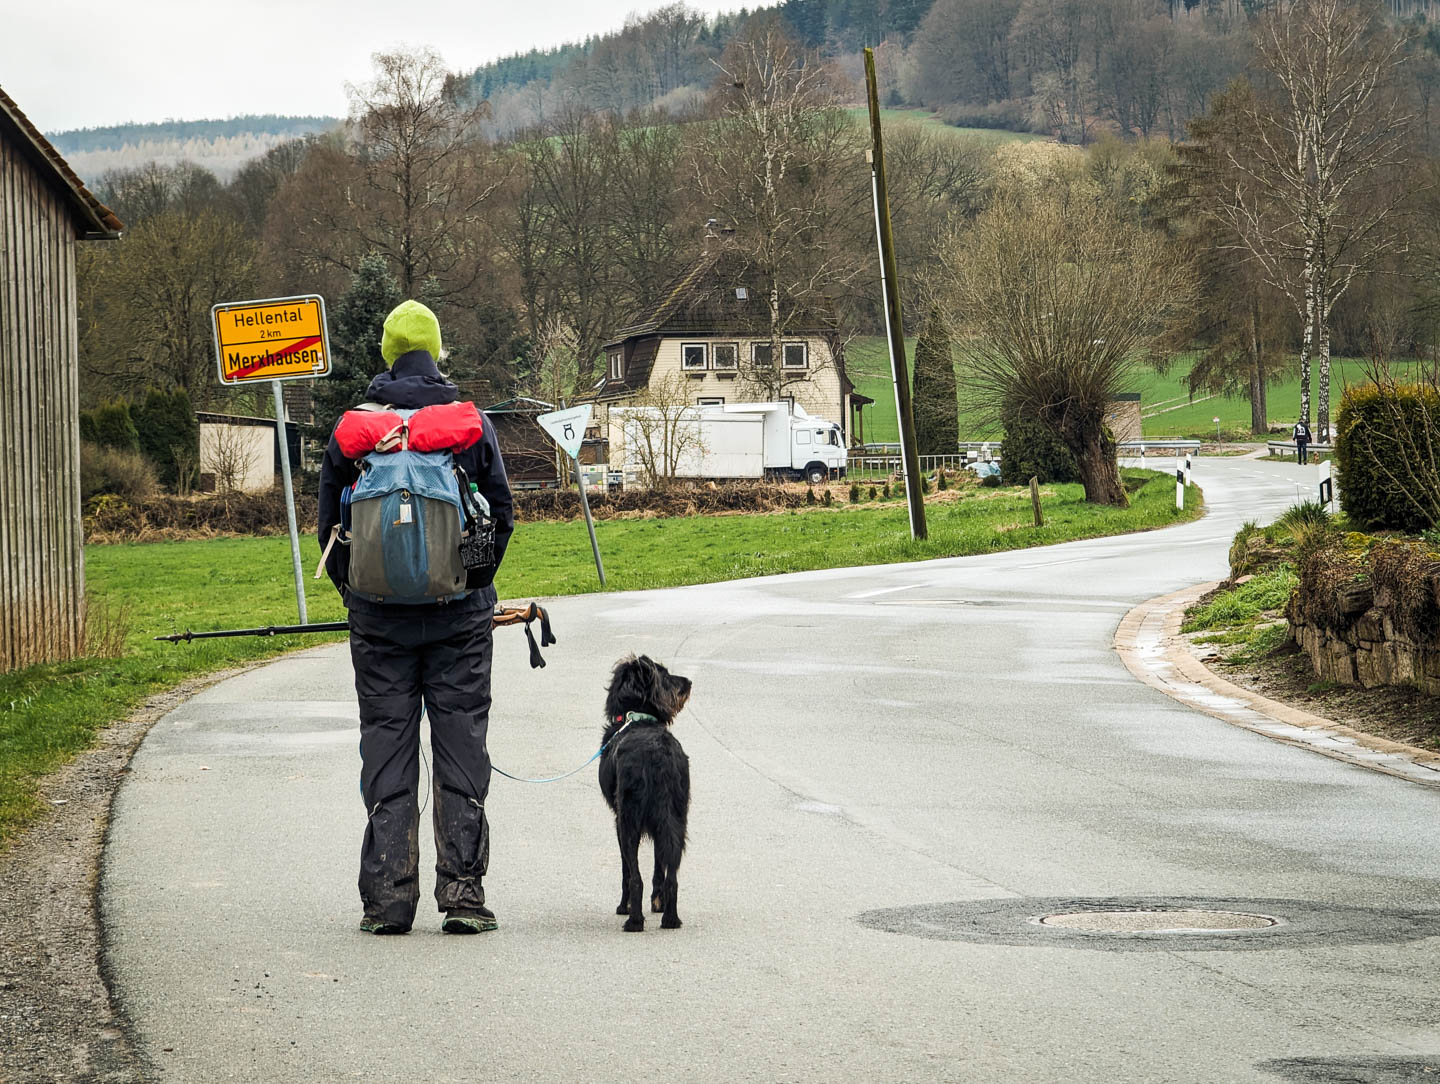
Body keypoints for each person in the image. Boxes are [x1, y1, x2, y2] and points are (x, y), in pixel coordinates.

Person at [318, 300, 514, 936]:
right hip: (459, 618)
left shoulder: (356, 430)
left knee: (387, 746)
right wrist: (472, 588)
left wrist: (361, 595)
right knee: (460, 745)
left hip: (378, 624)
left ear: (385, 355)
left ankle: (388, 903)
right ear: (437, 352)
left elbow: (328, 529)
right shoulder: (469, 423)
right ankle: (462, 895)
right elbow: (503, 516)